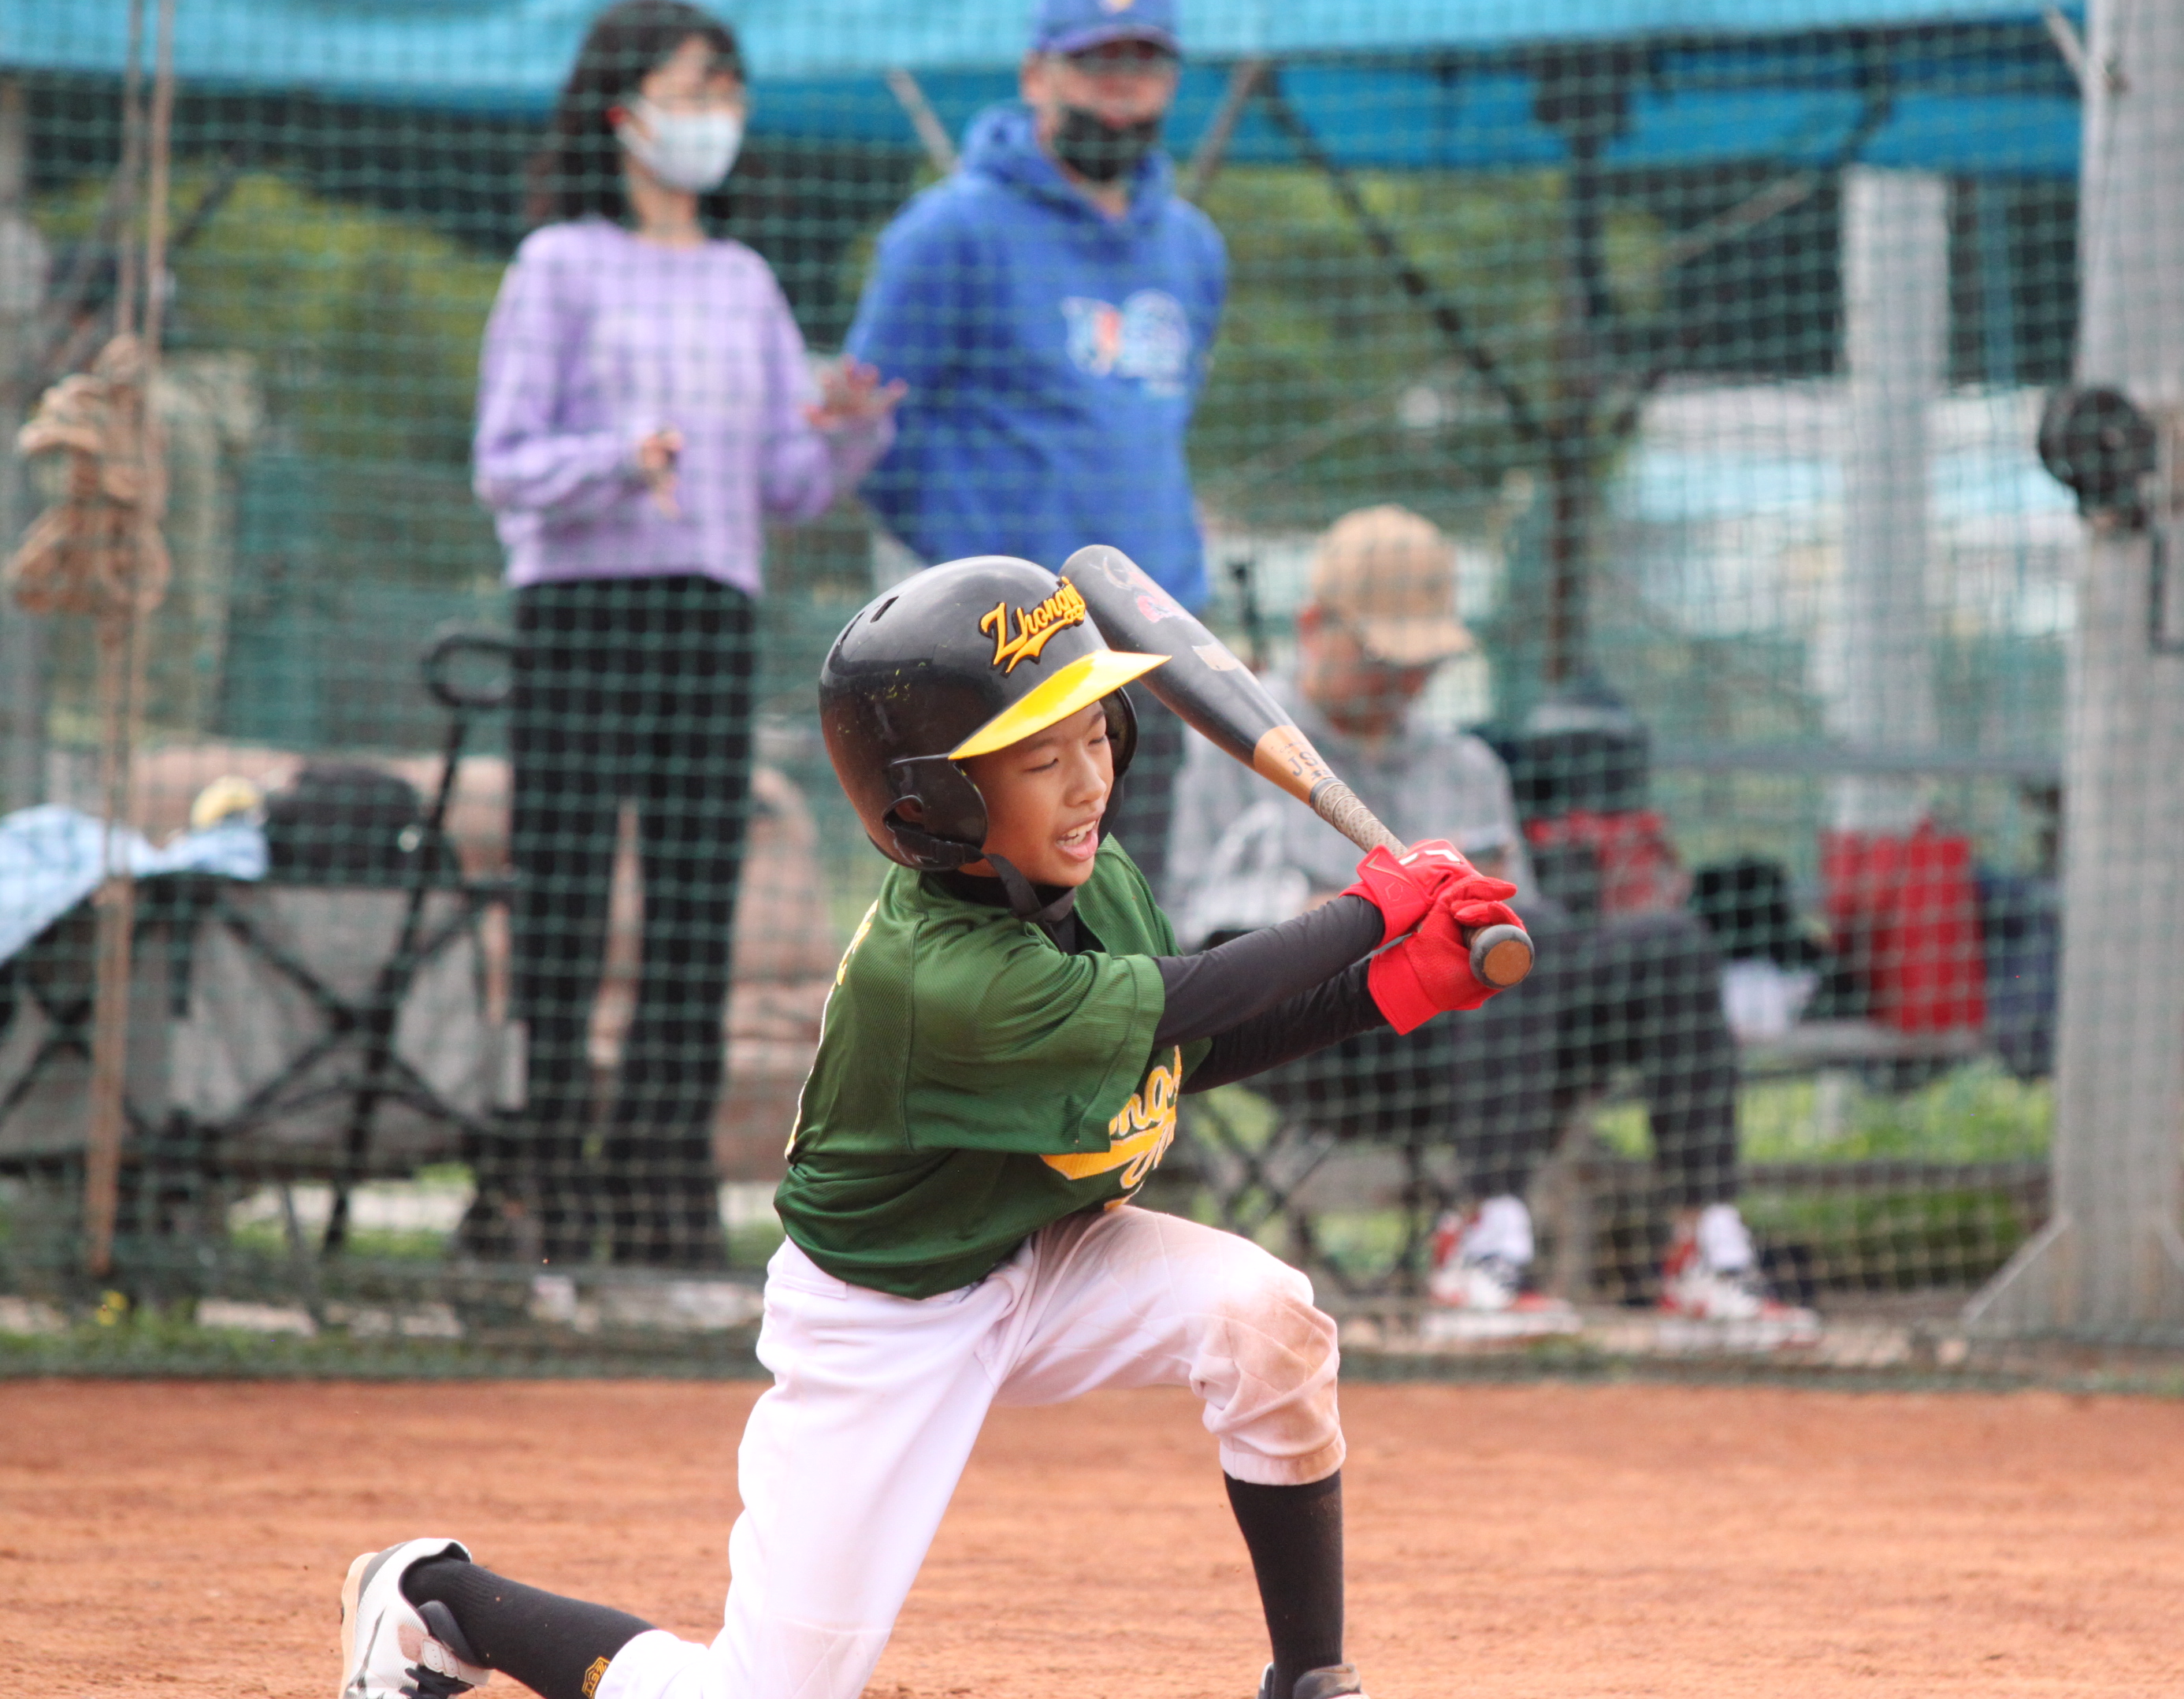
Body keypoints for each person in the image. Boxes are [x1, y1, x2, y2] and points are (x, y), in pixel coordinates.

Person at [335, 556, 1520, 1699]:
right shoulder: (939, 975)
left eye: (1096, 736)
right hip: (888, 1311)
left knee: (1266, 1320)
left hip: (1047, 1248)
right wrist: (1373, 911)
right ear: (932, 803)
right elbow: (1190, 997)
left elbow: (1185, 1047)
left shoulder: (1090, 878)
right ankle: (436, 1599)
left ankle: (1310, 1678)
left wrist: (1390, 986)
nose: (1088, 782)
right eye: (1040, 759)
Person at [472, 0, 901, 1268]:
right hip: (579, 609)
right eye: (695, 86)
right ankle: (537, 1187)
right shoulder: (557, 265)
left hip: (709, 615)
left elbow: (789, 485)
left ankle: (663, 1200)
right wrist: (617, 459)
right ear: (622, 110)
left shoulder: (744, 280)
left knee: (694, 904)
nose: (718, 113)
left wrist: (850, 427)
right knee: (559, 896)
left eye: (730, 90)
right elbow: (505, 462)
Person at [1166, 505, 1814, 1337]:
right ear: (1313, 628)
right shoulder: (1231, 743)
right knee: (1480, 944)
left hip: (1477, 1048)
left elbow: (1523, 931)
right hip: (1313, 1039)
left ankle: (1704, 1245)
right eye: (1382, 659)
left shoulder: (1465, 765)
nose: (1405, 684)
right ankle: (1478, 1249)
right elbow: (1197, 923)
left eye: (1421, 665)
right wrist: (1350, 919)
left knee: (1659, 946)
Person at [843, 0, 1224, 883]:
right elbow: (868, 437)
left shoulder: (1193, 247)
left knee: (1134, 903)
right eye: (1095, 63)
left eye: (1145, 65)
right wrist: (969, 570)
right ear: (1036, 75)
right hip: (1004, 655)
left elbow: (1166, 422)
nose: (1121, 90)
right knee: (1006, 908)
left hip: (1152, 639)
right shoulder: (948, 233)